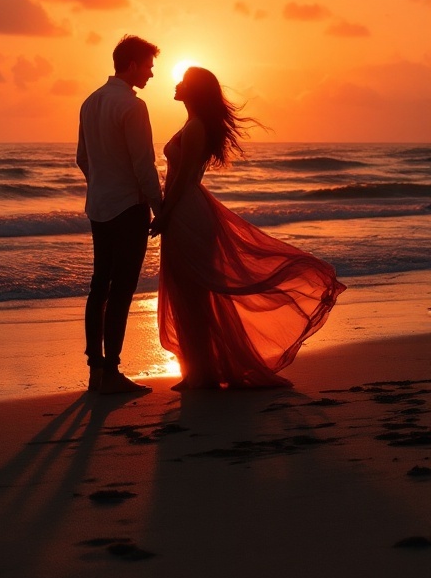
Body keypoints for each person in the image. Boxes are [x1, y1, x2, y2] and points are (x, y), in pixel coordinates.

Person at [151, 67, 345, 390]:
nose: (177, 84)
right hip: (183, 211)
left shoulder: (197, 127)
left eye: (184, 81)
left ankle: (201, 373)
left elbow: (184, 179)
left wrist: (164, 214)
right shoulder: (192, 123)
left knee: (194, 294)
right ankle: (199, 371)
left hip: (187, 213)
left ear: (194, 90)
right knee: (189, 293)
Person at [77, 35, 163, 395]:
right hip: (128, 206)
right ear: (131, 66)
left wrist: (101, 184)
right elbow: (143, 164)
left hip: (99, 205)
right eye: (148, 66)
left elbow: (83, 158)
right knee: (123, 288)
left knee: (100, 285)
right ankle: (111, 371)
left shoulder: (90, 102)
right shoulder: (132, 106)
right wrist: (160, 207)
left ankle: (95, 368)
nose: (152, 73)